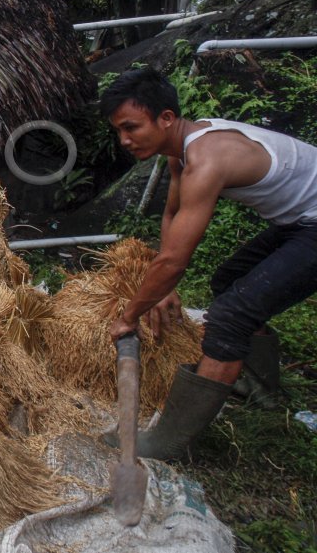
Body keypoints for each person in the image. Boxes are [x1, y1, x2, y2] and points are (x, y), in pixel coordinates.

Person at [100, 67, 317, 459]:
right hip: (300, 221)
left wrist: (129, 316)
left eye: (131, 127)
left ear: (166, 118)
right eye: (119, 131)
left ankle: (170, 442)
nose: (125, 140)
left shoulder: (206, 159)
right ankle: (260, 386)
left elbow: (174, 260)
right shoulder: (180, 152)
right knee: (230, 280)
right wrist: (164, 289)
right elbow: (171, 216)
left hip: (312, 224)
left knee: (230, 314)